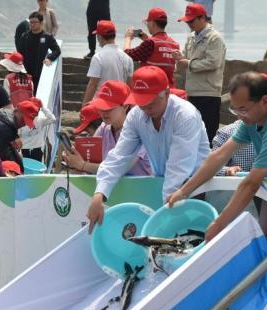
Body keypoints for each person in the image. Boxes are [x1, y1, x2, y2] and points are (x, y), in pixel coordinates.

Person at [167, 72, 267, 241]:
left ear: (265, 101)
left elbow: (251, 184)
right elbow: (220, 155)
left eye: (243, 109)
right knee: (264, 244)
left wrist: (219, 224)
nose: (238, 115)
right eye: (234, 109)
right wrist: (183, 191)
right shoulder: (252, 120)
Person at [86, 66, 210, 232]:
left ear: (167, 93)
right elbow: (119, 156)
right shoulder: (136, 115)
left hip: (196, 186)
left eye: (150, 103)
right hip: (162, 185)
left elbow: (178, 167)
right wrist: (99, 194)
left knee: (192, 235)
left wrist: (166, 212)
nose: (145, 108)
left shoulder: (185, 115)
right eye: (140, 102)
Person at [65, 81, 151, 176]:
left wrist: (82, 165)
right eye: (101, 107)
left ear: (125, 106)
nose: (104, 112)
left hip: (142, 185)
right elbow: (90, 164)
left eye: (109, 108)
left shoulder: (139, 131)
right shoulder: (103, 129)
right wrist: (74, 160)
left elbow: (119, 168)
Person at [174, 3, 226, 143]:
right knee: (192, 135)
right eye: (187, 21)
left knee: (208, 136)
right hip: (192, 92)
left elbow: (213, 63)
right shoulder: (191, 37)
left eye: (191, 21)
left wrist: (188, 63)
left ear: (203, 18)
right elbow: (185, 58)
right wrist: (180, 58)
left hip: (209, 93)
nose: (189, 24)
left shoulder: (215, 38)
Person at [0, 98, 43, 171]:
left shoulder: (6, 116)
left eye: (26, 122)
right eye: (23, 119)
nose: (23, 124)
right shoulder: (5, 126)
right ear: (16, 111)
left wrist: (15, 136)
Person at [124, 8, 180, 88]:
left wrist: (128, 38)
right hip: (169, 89)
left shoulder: (150, 43)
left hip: (152, 90)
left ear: (152, 23)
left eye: (147, 22)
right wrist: (147, 39)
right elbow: (159, 51)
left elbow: (127, 55)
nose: (147, 25)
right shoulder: (174, 44)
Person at [82, 20, 134, 105]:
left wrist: (84, 106)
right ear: (114, 35)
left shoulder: (98, 57)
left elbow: (92, 84)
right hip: (119, 105)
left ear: (99, 37)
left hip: (101, 104)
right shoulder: (127, 58)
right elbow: (130, 86)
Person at [18, 11, 62, 91]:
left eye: (35, 22)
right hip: (26, 72)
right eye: (31, 22)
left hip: (40, 72)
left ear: (41, 23)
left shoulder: (47, 37)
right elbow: (20, 52)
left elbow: (57, 50)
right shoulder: (25, 36)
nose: (32, 24)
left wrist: (49, 58)